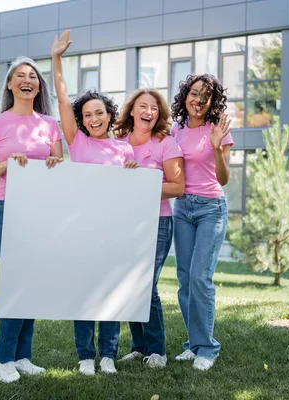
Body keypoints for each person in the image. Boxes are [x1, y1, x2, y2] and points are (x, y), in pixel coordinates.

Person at [51, 30, 137, 376]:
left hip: (114, 232)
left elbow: (133, 196)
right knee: (85, 294)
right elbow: (61, 99)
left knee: (111, 296)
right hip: (82, 229)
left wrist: (131, 173)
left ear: (109, 114)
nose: (93, 119)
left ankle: (108, 355)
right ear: (82, 120)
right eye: (87, 114)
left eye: (99, 112)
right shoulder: (78, 143)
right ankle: (86, 355)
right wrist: (56, 58)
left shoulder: (124, 149)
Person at [0, 56, 64, 383]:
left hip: (42, 212)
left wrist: (56, 164)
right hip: (8, 207)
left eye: (33, 76)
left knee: (32, 283)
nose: (28, 80)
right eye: (20, 76)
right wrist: (7, 164)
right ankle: (4, 358)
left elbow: (58, 165)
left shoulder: (50, 125)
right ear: (11, 84)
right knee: (17, 281)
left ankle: (23, 356)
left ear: (38, 86)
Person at [113, 89, 185, 368]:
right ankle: (139, 346)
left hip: (157, 221)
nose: (149, 112)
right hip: (124, 221)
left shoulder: (166, 144)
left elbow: (178, 187)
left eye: (154, 108)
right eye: (143, 106)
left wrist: (141, 182)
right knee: (131, 283)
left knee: (146, 284)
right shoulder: (117, 143)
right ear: (132, 110)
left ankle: (157, 350)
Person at [169, 74, 233, 371]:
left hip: (210, 208)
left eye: (205, 96)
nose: (198, 100)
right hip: (182, 208)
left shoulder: (217, 129)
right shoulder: (176, 129)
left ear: (212, 102)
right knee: (185, 280)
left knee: (199, 278)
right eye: (194, 94)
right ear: (185, 96)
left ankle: (207, 347)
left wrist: (217, 147)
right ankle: (192, 344)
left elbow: (223, 179)